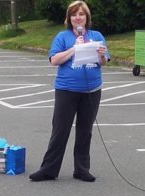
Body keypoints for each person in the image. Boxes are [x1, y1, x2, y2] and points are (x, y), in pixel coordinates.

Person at [29, 0, 110, 182]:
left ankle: (82, 169)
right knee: (60, 130)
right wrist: (75, 48)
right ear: (69, 18)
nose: (77, 18)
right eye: (74, 14)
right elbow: (54, 60)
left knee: (85, 130)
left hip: (91, 90)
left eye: (81, 14)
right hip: (66, 90)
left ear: (86, 17)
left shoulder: (96, 35)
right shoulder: (62, 37)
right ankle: (49, 169)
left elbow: (103, 62)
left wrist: (101, 54)